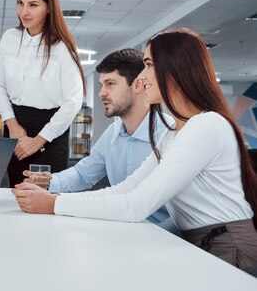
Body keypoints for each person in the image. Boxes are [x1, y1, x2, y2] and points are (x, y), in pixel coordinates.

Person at [13, 28, 257, 274]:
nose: (142, 77)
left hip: (227, 246)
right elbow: (127, 188)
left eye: (148, 65)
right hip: (202, 242)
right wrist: (55, 199)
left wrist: (54, 204)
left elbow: (137, 204)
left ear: (173, 69)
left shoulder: (206, 126)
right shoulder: (174, 131)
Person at [22, 48, 178, 234]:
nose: (101, 93)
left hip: (161, 237)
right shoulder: (113, 132)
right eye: (102, 84)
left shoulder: (170, 134)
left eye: (110, 84)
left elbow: (178, 213)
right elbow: (83, 174)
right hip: (120, 227)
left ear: (137, 85)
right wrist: (51, 181)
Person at [0, 0, 85, 185]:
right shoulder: (10, 38)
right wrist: (11, 123)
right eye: (20, 3)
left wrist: (39, 140)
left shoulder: (62, 47)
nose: (24, 12)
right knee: (17, 192)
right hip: (16, 126)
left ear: (49, 7)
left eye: (33, 5)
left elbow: (73, 101)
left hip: (50, 131)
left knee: (44, 197)